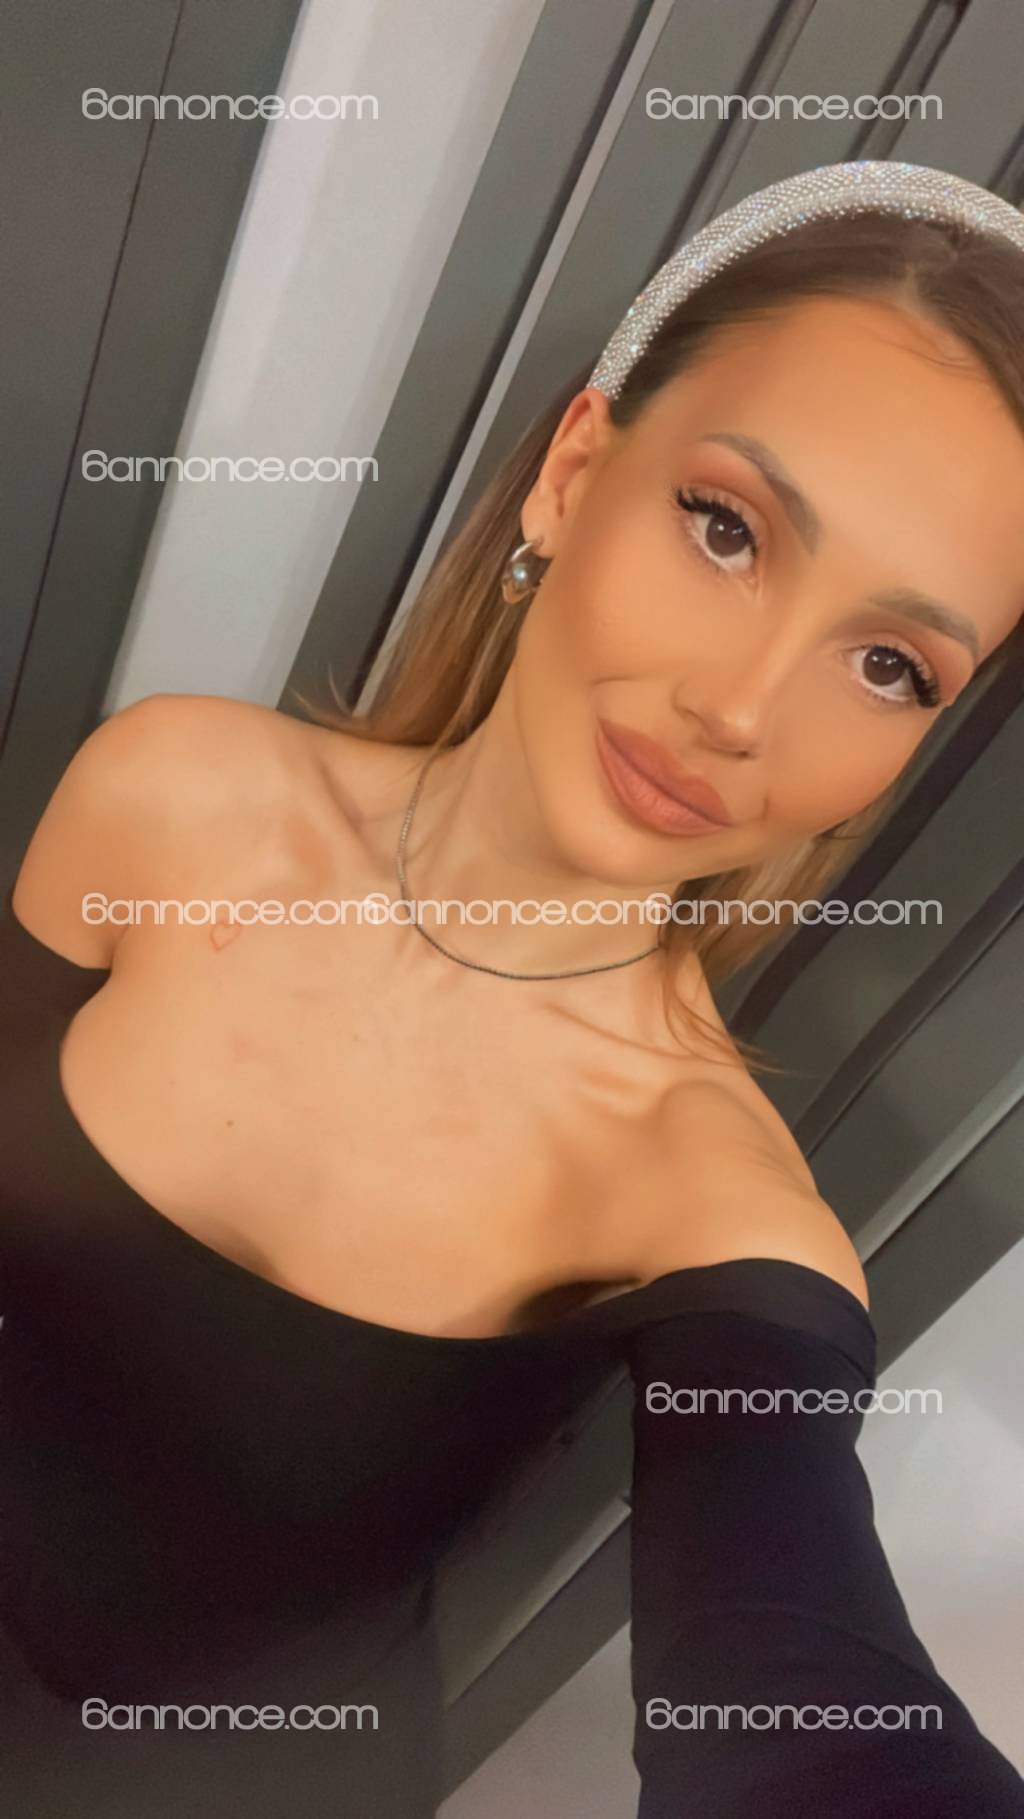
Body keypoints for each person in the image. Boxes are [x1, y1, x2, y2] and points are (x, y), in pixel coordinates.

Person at [1, 161, 1023, 1816]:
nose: (742, 708)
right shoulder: (168, 792)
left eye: (891, 664)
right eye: (727, 527)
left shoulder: (706, 1202)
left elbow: (807, 1699)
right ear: (572, 473)